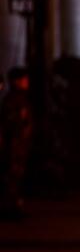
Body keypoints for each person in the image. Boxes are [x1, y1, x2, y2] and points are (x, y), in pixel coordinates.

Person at [0, 67, 33, 218]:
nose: (27, 82)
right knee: (11, 176)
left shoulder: (21, 99)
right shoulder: (12, 101)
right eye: (24, 79)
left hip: (19, 145)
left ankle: (13, 205)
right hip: (12, 145)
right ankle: (9, 207)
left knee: (17, 176)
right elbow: (10, 124)